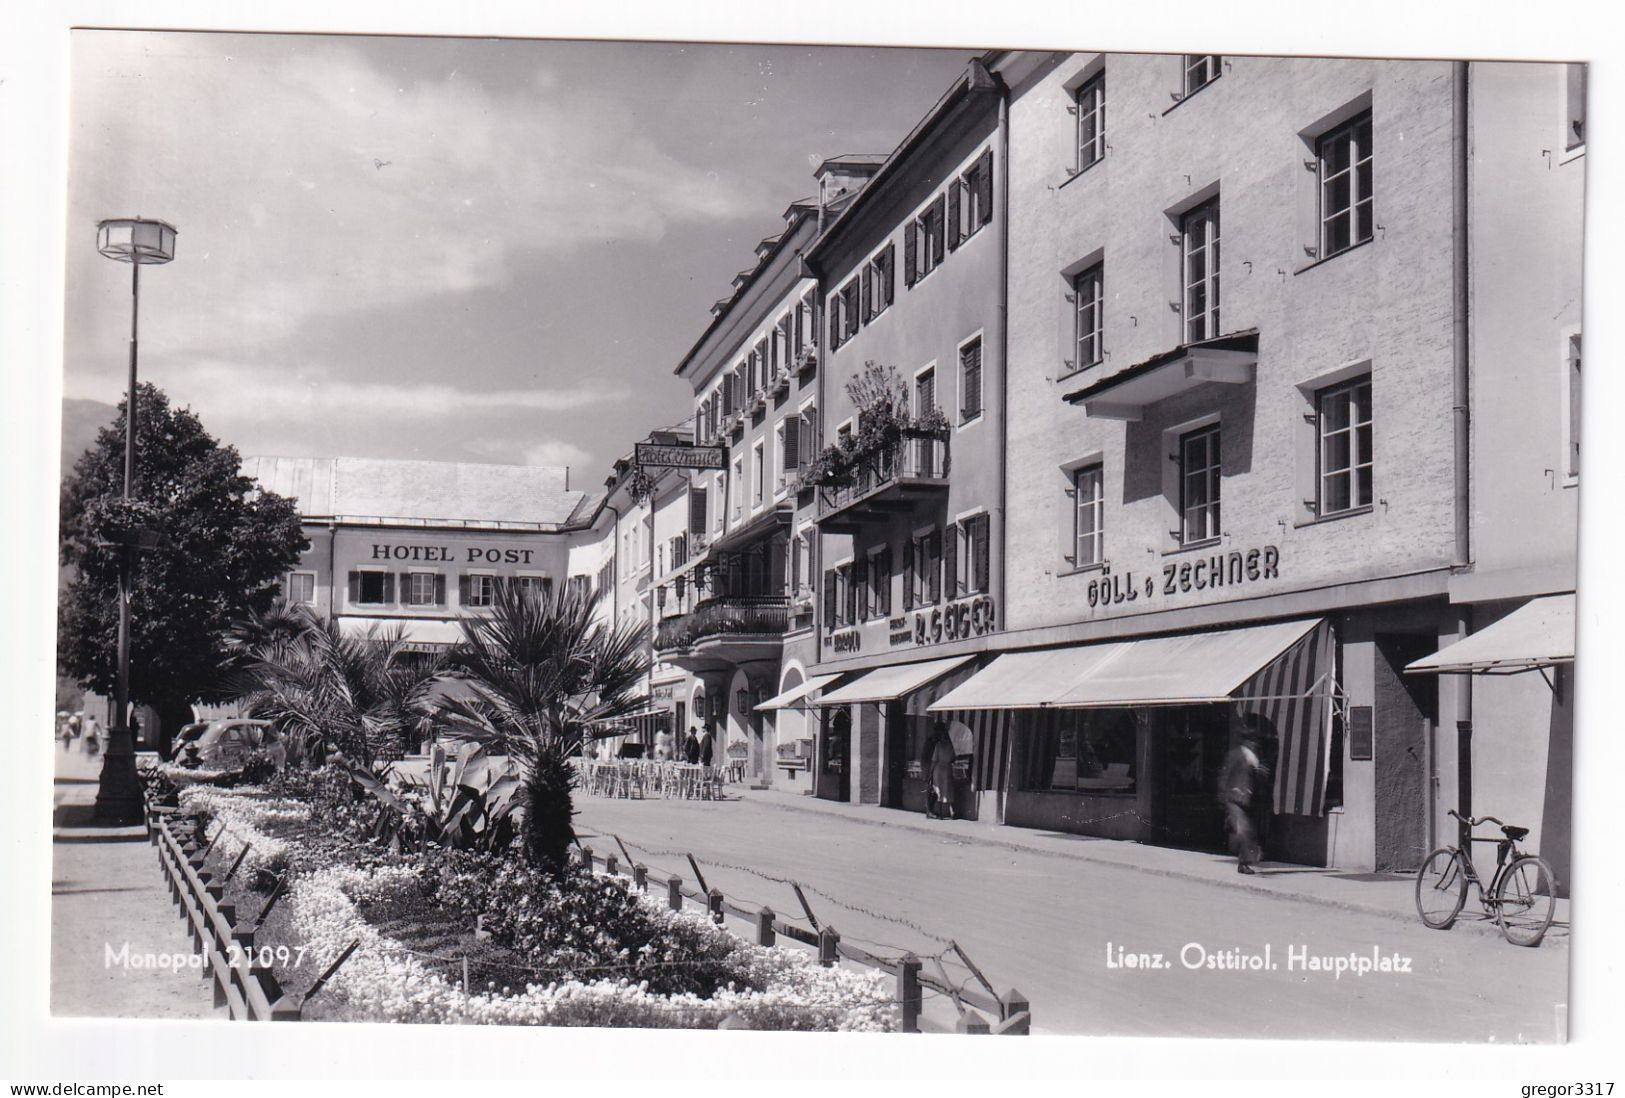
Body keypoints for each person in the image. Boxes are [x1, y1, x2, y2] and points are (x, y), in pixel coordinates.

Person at [1218, 714, 1271, 874]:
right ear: (1247, 741)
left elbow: (1255, 777)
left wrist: (1261, 773)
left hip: (1250, 799)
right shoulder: (1236, 755)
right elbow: (1225, 776)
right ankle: (1243, 864)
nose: (1254, 744)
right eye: (1252, 741)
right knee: (1245, 830)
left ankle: (1246, 859)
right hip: (1235, 798)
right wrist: (1223, 797)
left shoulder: (1255, 758)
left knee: (1249, 830)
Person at [922, 720, 956, 820]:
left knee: (935, 790)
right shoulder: (932, 741)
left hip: (935, 766)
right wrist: (928, 771)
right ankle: (929, 811)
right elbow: (926, 756)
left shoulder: (939, 741)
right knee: (931, 789)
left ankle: (931, 811)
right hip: (929, 765)